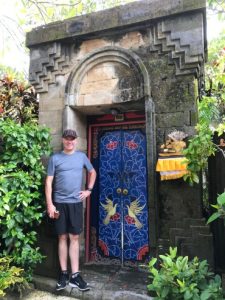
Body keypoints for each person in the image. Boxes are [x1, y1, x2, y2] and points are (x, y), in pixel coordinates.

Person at [45, 129, 96, 292]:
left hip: (75, 203)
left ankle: (75, 276)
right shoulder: (55, 158)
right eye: (67, 139)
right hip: (59, 203)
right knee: (62, 237)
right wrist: (50, 204)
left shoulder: (81, 156)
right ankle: (63, 274)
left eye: (72, 139)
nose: (70, 141)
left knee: (74, 237)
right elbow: (48, 183)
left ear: (76, 140)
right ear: (63, 140)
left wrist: (89, 190)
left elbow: (92, 172)